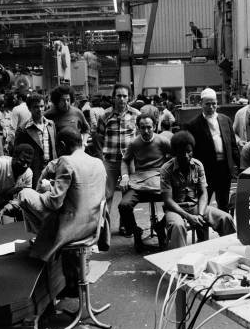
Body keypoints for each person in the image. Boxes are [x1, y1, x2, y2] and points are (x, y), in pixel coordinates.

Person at [18, 127, 106, 262]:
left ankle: (44, 236)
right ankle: (44, 237)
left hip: (71, 227)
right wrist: (54, 185)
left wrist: (48, 189)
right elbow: (81, 190)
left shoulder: (66, 161)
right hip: (94, 226)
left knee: (25, 193)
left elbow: (54, 202)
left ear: (62, 145)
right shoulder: (98, 162)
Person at [160, 131, 235, 249]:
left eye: (189, 151)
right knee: (178, 226)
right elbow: (168, 200)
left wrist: (200, 214)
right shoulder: (166, 169)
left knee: (226, 218)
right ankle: (180, 261)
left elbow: (203, 193)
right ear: (175, 152)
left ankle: (232, 251)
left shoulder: (198, 165)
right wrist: (188, 217)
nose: (186, 155)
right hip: (175, 209)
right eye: (181, 152)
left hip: (195, 207)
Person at [118, 114, 170, 251]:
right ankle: (136, 231)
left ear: (154, 126)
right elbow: (125, 160)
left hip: (159, 180)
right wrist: (124, 176)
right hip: (139, 181)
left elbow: (174, 157)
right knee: (124, 205)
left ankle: (160, 227)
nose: (146, 131)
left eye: (149, 127)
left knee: (176, 200)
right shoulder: (134, 143)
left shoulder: (162, 141)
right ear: (138, 128)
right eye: (142, 128)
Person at [186, 88, 239, 214]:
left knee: (224, 204)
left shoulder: (225, 120)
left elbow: (232, 145)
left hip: (224, 170)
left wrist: (239, 166)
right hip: (205, 172)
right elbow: (192, 152)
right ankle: (202, 232)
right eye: (207, 104)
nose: (211, 107)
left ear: (217, 103)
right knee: (202, 206)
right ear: (201, 104)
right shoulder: (194, 125)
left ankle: (224, 233)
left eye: (214, 103)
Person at [96, 83, 140, 215]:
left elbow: (139, 138)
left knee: (128, 196)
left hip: (129, 162)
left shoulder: (136, 115)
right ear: (113, 97)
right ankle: (105, 225)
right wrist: (101, 158)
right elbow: (99, 138)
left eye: (124, 96)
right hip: (110, 161)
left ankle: (125, 225)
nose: (121, 99)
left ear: (129, 98)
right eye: (118, 96)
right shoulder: (105, 115)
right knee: (106, 194)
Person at [14, 94, 57, 188]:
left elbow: (54, 147)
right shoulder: (23, 129)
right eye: (36, 107)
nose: (40, 109)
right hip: (34, 170)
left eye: (41, 106)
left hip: (51, 167)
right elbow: (17, 153)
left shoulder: (51, 124)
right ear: (29, 109)